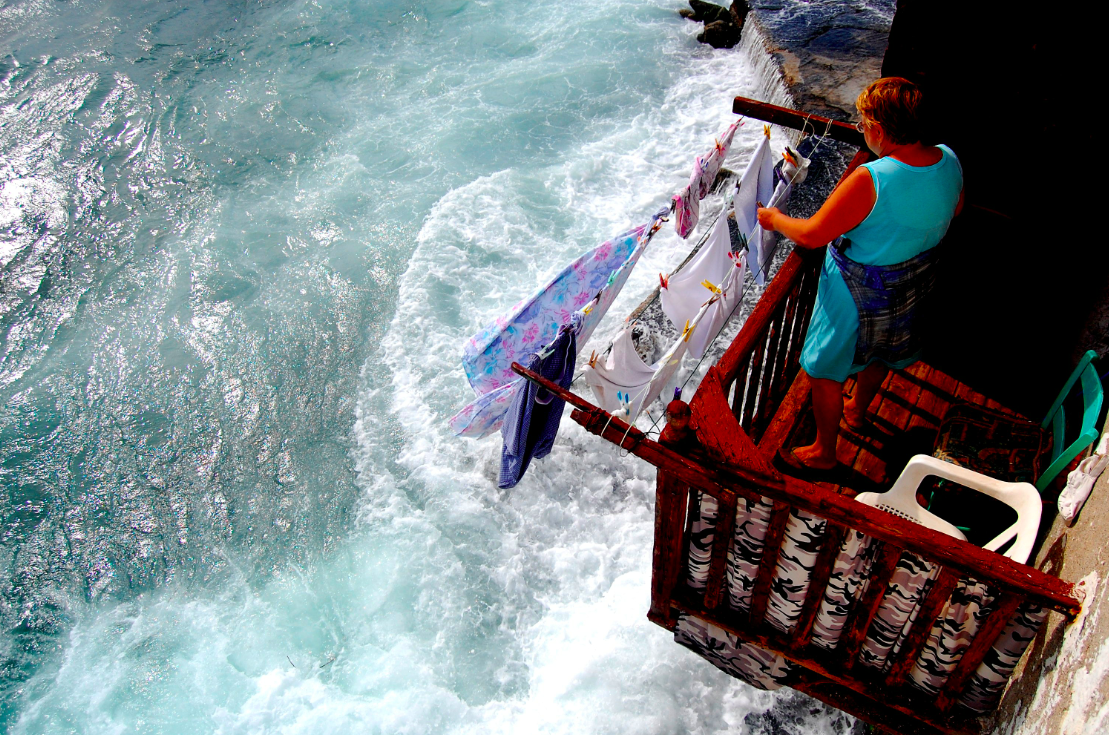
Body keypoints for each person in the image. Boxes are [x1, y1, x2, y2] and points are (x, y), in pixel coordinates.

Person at [757, 77, 964, 471]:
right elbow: (954, 209)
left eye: (862, 122)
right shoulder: (948, 158)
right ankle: (857, 410)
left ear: (881, 131)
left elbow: (814, 234)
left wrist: (776, 219)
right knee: (882, 353)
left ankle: (823, 453)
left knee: (822, 367)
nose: (860, 128)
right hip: (915, 279)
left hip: (858, 290)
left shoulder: (872, 179)